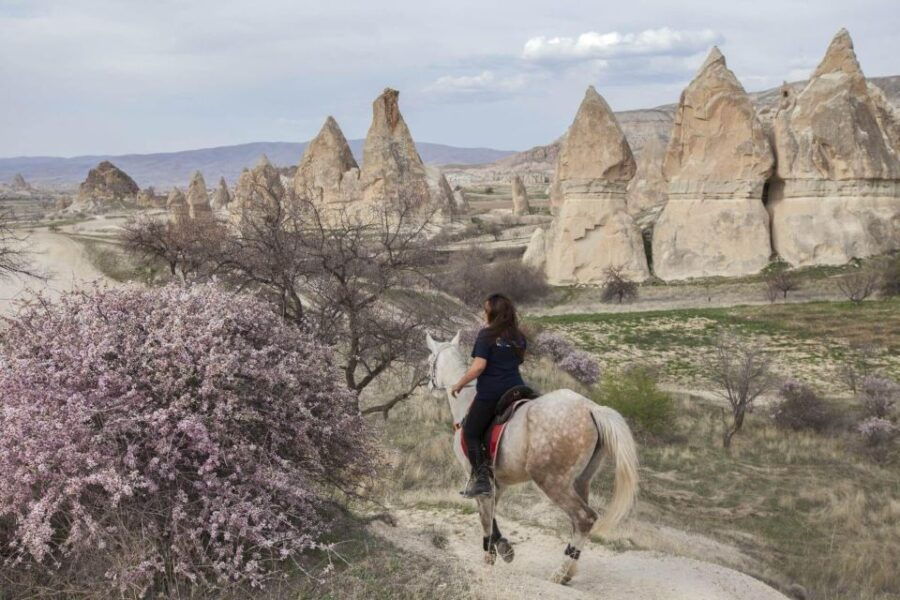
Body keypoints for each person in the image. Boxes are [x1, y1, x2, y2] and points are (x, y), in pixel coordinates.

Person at [451, 294, 527, 497]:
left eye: (485, 310)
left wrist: (459, 383)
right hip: (519, 389)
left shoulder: (486, 335)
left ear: (493, 313)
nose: (483, 313)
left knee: (470, 432)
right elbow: (515, 363)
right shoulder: (519, 337)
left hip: (493, 392)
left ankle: (482, 479)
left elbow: (478, 367)